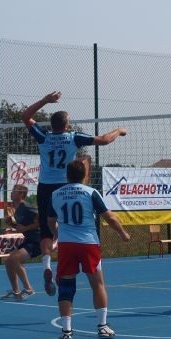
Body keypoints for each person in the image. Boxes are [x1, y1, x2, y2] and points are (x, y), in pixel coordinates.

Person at [21, 91, 127, 295]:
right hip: (64, 187)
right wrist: (119, 130)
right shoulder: (73, 138)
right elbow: (104, 140)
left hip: (45, 187)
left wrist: (45, 100)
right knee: (69, 226)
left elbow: (25, 116)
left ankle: (47, 266)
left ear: (52, 125)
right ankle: (69, 259)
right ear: (67, 126)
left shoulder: (43, 136)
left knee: (46, 230)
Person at [47, 159, 130, 339]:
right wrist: (123, 233)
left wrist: (57, 234)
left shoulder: (56, 194)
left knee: (66, 286)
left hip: (67, 245)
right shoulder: (90, 192)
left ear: (67, 176)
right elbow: (109, 217)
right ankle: (102, 326)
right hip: (88, 243)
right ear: (85, 175)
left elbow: (50, 220)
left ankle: (66, 331)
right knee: (98, 284)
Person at [1, 184, 38, 300]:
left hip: (38, 240)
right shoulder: (17, 210)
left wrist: (25, 228)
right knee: (8, 261)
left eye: (14, 191)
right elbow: (21, 228)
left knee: (14, 258)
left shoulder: (27, 207)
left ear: (21, 194)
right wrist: (11, 224)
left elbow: (41, 221)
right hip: (29, 239)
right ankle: (16, 291)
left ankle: (29, 289)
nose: (11, 193)